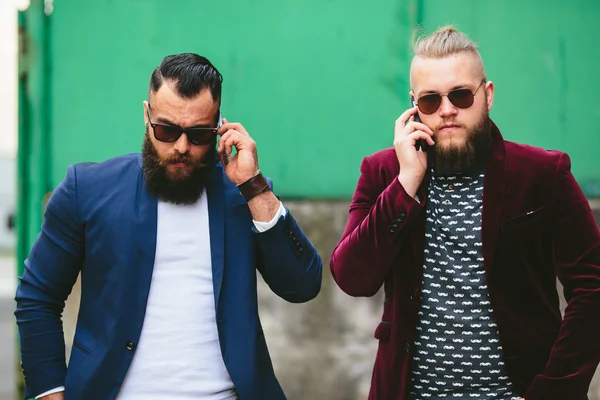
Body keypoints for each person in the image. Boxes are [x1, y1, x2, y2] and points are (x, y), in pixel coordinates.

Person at [15, 53, 322, 400]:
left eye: (198, 134)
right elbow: (38, 298)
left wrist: (253, 186)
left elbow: (303, 285)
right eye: (167, 129)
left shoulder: (241, 193)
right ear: (146, 116)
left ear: (220, 126)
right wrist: (49, 392)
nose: (181, 146)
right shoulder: (86, 190)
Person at [330, 26, 600, 400]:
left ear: (487, 95)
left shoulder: (542, 174)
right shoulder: (384, 173)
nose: (447, 110)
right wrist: (406, 182)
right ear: (412, 105)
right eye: (429, 100)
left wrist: (555, 391)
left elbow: (592, 288)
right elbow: (352, 277)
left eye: (461, 95)